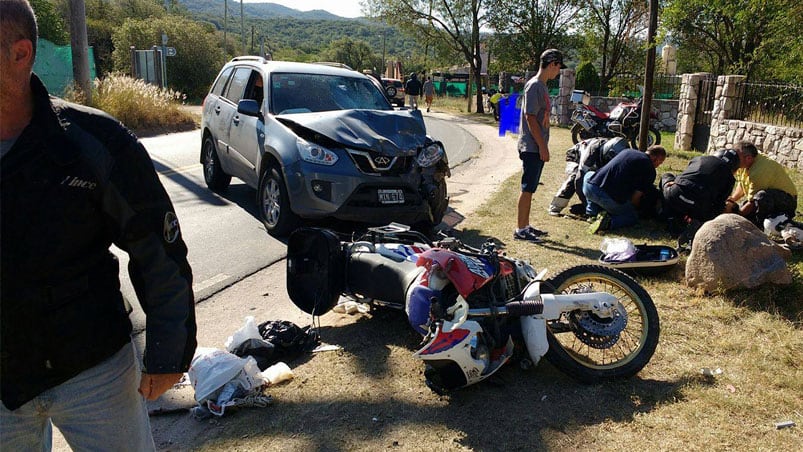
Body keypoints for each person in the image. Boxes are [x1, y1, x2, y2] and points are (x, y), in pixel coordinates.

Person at [0, 1, 197, 449]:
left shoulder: (92, 142)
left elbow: (156, 246)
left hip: (93, 372)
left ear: (20, 53)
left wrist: (169, 349)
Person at [513, 49, 566, 243]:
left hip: (536, 146)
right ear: (552, 64)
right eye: (558, 67)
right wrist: (542, 146)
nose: (558, 72)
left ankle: (525, 225)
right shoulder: (534, 86)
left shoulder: (541, 86)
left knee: (531, 187)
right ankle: (520, 229)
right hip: (531, 147)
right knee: (527, 187)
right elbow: (530, 117)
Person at [582, 146, 667, 233]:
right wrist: (634, 208)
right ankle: (608, 223)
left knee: (590, 174)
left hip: (589, 187)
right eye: (660, 162)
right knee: (631, 216)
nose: (658, 165)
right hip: (604, 195)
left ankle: (592, 212)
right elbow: (636, 197)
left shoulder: (628, 151)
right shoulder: (649, 169)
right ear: (656, 158)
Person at [548, 137, 629, 216]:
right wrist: (587, 205)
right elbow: (579, 179)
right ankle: (555, 206)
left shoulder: (618, 151)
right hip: (576, 156)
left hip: (593, 162)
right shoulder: (591, 151)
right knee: (575, 176)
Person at [728, 140, 798, 225]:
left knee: (761, 197)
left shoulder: (759, 171)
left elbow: (752, 202)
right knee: (744, 206)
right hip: (768, 198)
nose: (734, 159)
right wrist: (731, 200)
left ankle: (759, 224)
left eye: (736, 157)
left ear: (748, 158)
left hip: (787, 202)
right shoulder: (744, 164)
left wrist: (736, 217)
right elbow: (742, 184)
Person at [660, 149, 739, 223]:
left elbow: (686, 176)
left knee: (667, 176)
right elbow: (719, 204)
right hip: (699, 208)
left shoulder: (699, 159)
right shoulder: (730, 179)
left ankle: (664, 210)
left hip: (676, 195)